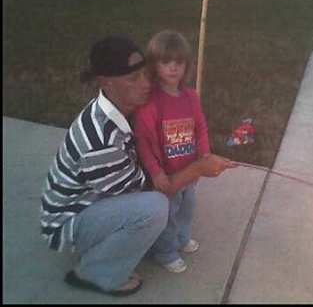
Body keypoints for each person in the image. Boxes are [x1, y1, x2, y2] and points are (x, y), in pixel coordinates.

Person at [39, 35, 235, 296]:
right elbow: (154, 190)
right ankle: (95, 272)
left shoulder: (123, 107)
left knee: (162, 204)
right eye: (133, 78)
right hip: (68, 221)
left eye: (146, 74)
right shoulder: (101, 142)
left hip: (95, 198)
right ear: (106, 82)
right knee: (154, 208)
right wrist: (198, 168)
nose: (145, 84)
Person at [133, 30, 210, 274]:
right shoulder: (151, 102)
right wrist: (155, 173)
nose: (173, 68)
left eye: (179, 62)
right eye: (166, 62)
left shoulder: (190, 97)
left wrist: (204, 157)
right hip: (167, 177)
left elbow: (201, 128)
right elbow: (143, 141)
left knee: (187, 209)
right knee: (168, 215)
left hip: (189, 171)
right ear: (155, 65)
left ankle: (182, 238)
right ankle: (165, 252)